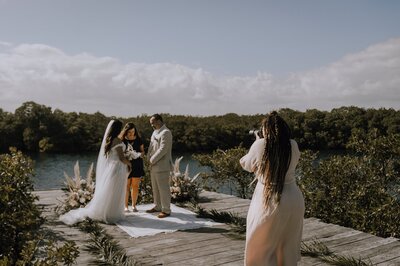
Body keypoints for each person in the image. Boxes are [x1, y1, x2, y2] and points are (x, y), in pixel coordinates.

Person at [240, 111, 305, 265]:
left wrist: (256, 143)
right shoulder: (293, 145)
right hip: (293, 199)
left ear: (265, 129)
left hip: (269, 200)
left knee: (260, 248)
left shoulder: (260, 145)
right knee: (287, 246)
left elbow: (246, 165)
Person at [59, 120, 132, 225]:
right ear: (118, 129)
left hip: (111, 168)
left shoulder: (109, 140)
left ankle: (106, 211)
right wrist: (129, 163)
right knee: (116, 191)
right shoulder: (117, 141)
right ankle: (112, 214)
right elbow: (121, 158)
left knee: (109, 190)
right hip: (117, 168)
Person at [145, 114, 173, 218]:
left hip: (162, 165)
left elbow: (163, 149)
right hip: (153, 165)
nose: (151, 125)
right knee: (155, 188)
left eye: (153, 122)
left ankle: (166, 210)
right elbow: (151, 147)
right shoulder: (154, 132)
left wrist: (152, 160)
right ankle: (157, 206)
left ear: (159, 121)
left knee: (163, 188)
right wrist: (148, 158)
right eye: (151, 123)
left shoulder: (166, 132)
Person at [122, 122, 145, 212]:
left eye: (133, 131)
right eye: (129, 132)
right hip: (126, 165)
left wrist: (138, 154)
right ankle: (125, 206)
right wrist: (127, 155)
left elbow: (143, 152)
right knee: (126, 186)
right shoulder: (123, 140)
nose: (131, 133)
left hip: (137, 164)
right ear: (126, 132)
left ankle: (134, 205)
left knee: (135, 186)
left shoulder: (139, 139)